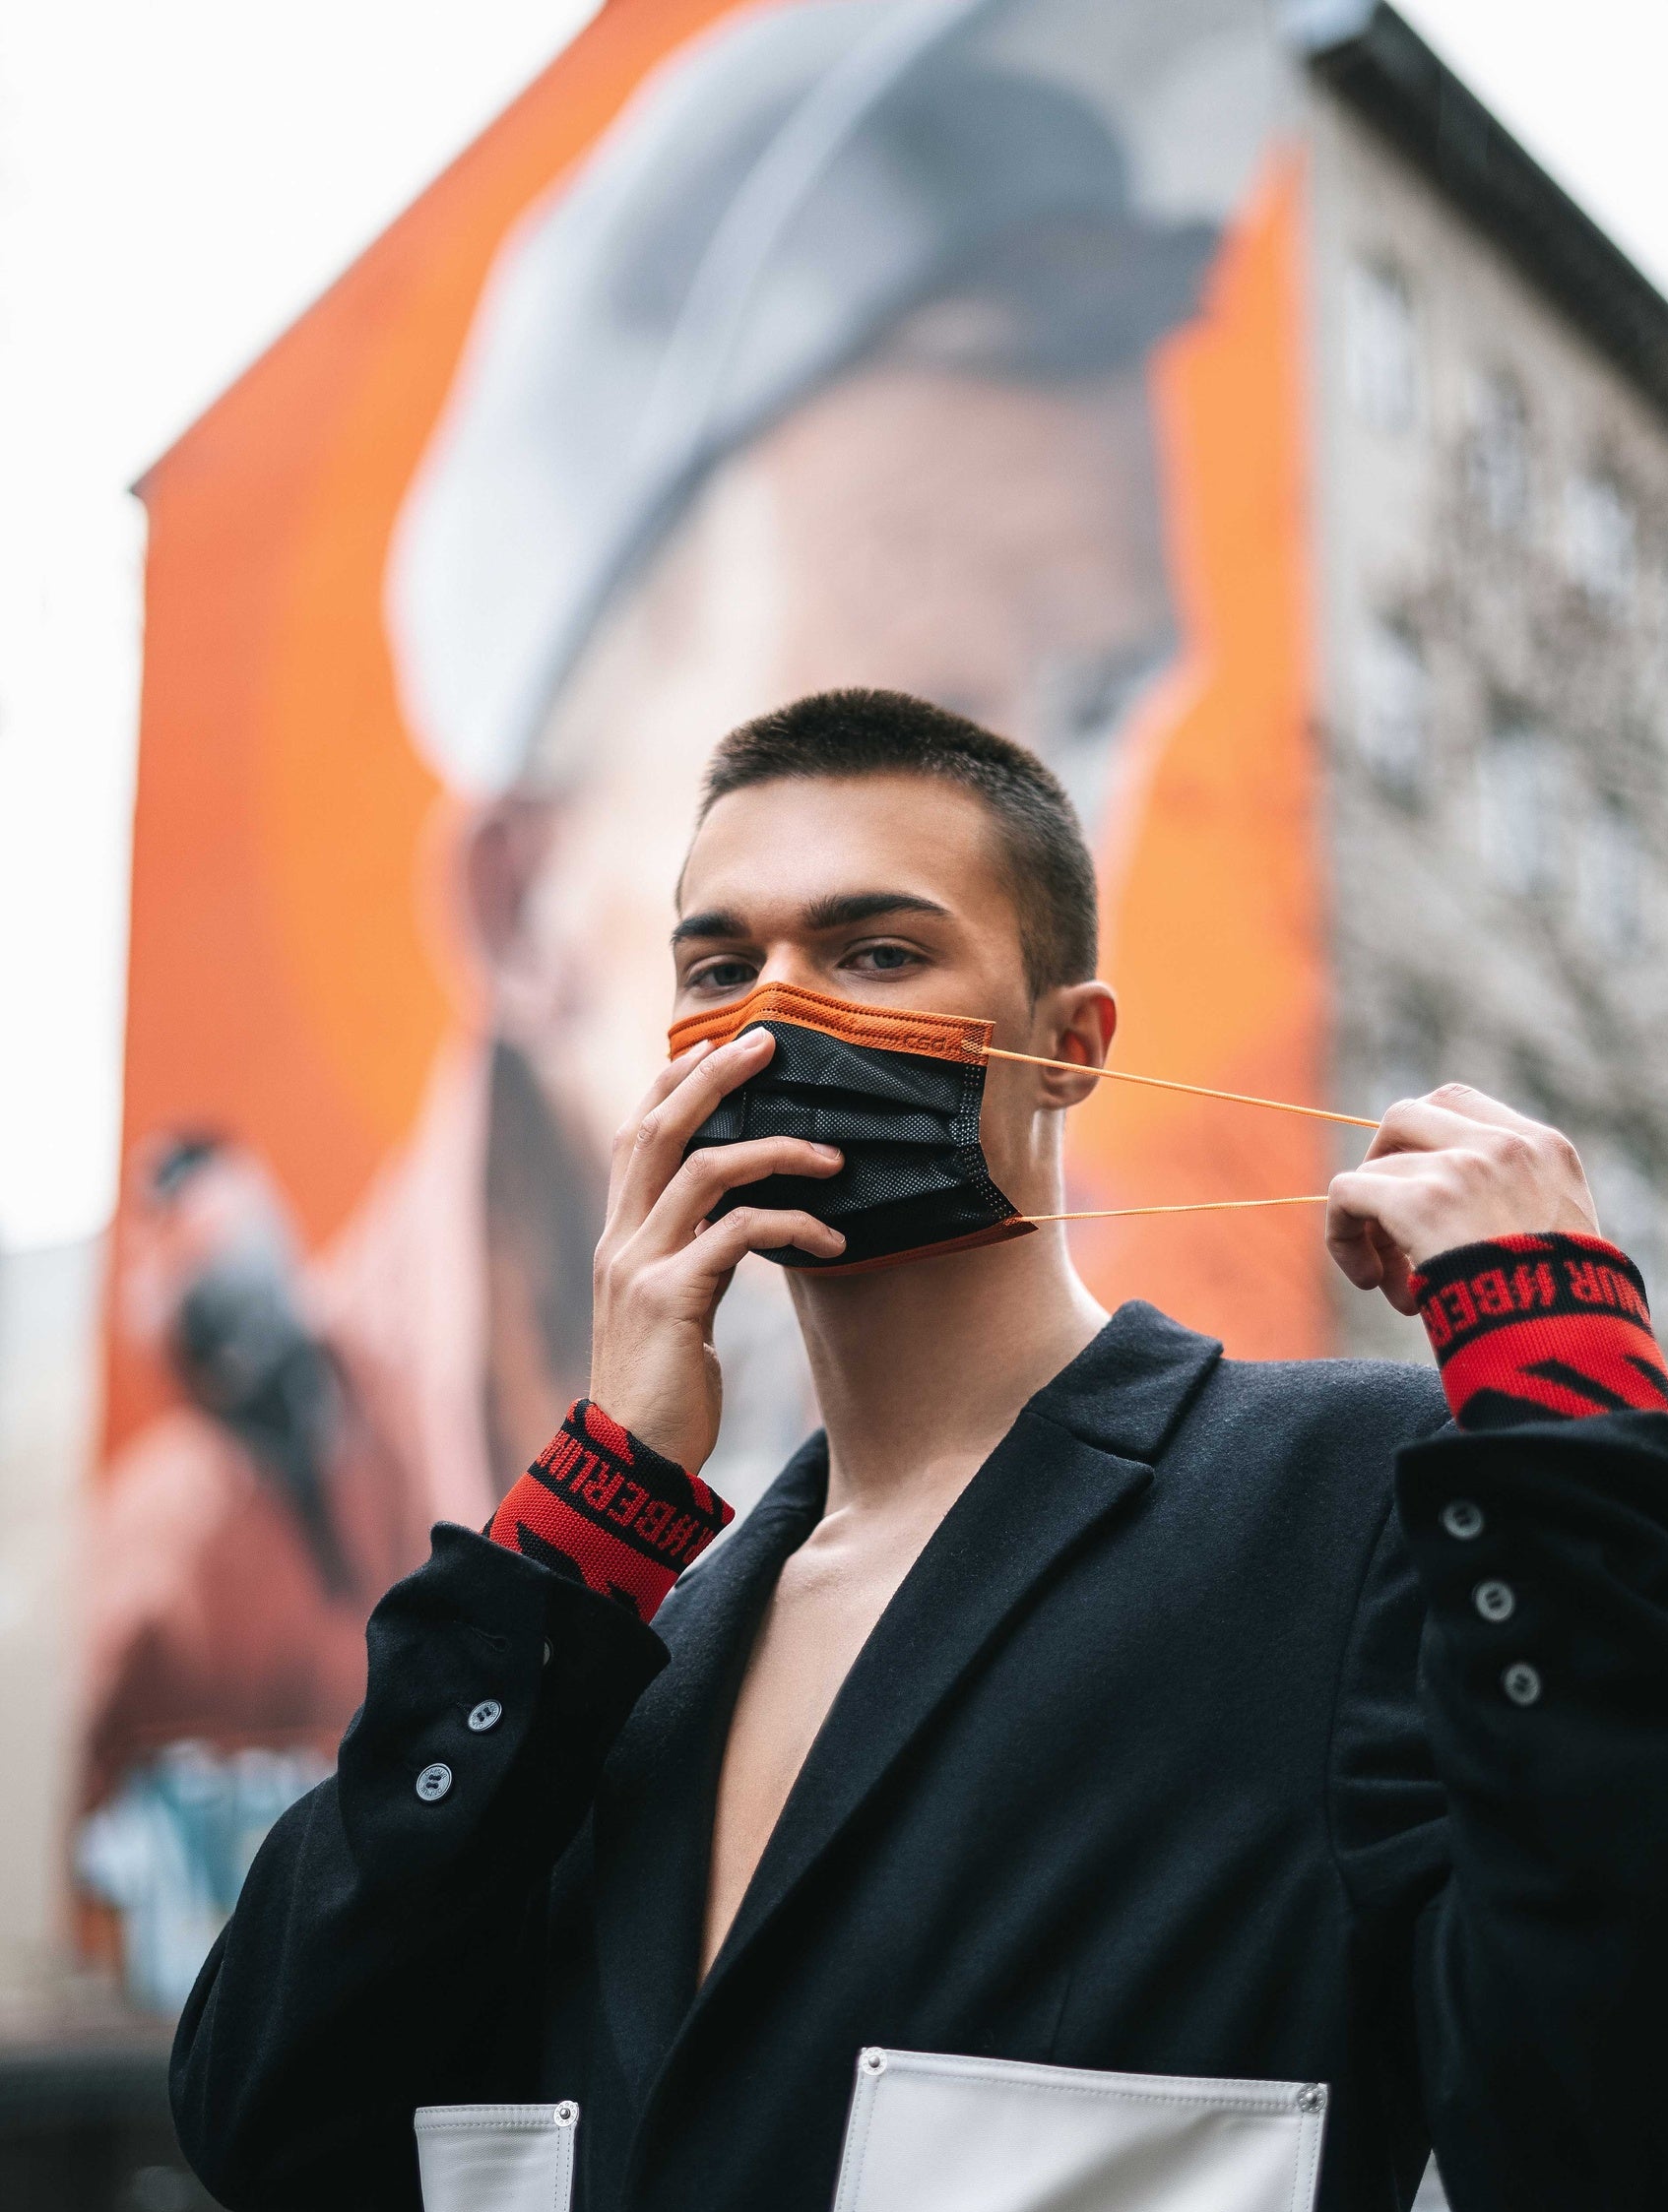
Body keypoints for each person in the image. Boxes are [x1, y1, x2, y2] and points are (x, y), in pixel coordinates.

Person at [172, 689, 1668, 2212]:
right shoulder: (608, 1646)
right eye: (718, 964)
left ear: (1067, 1045)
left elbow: (1615, 2184)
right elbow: (277, 2124)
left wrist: (1570, 1459)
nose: (779, 1013)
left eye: (874, 950)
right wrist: (587, 1519)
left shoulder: (1338, 1510)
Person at [83, 0, 1236, 1831]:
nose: (1008, 837)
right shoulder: (195, 1605)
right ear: (527, 913)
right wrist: (600, 1506)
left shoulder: (1264, 1498)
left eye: (1094, 703)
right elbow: (298, 2015)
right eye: (868, 725)